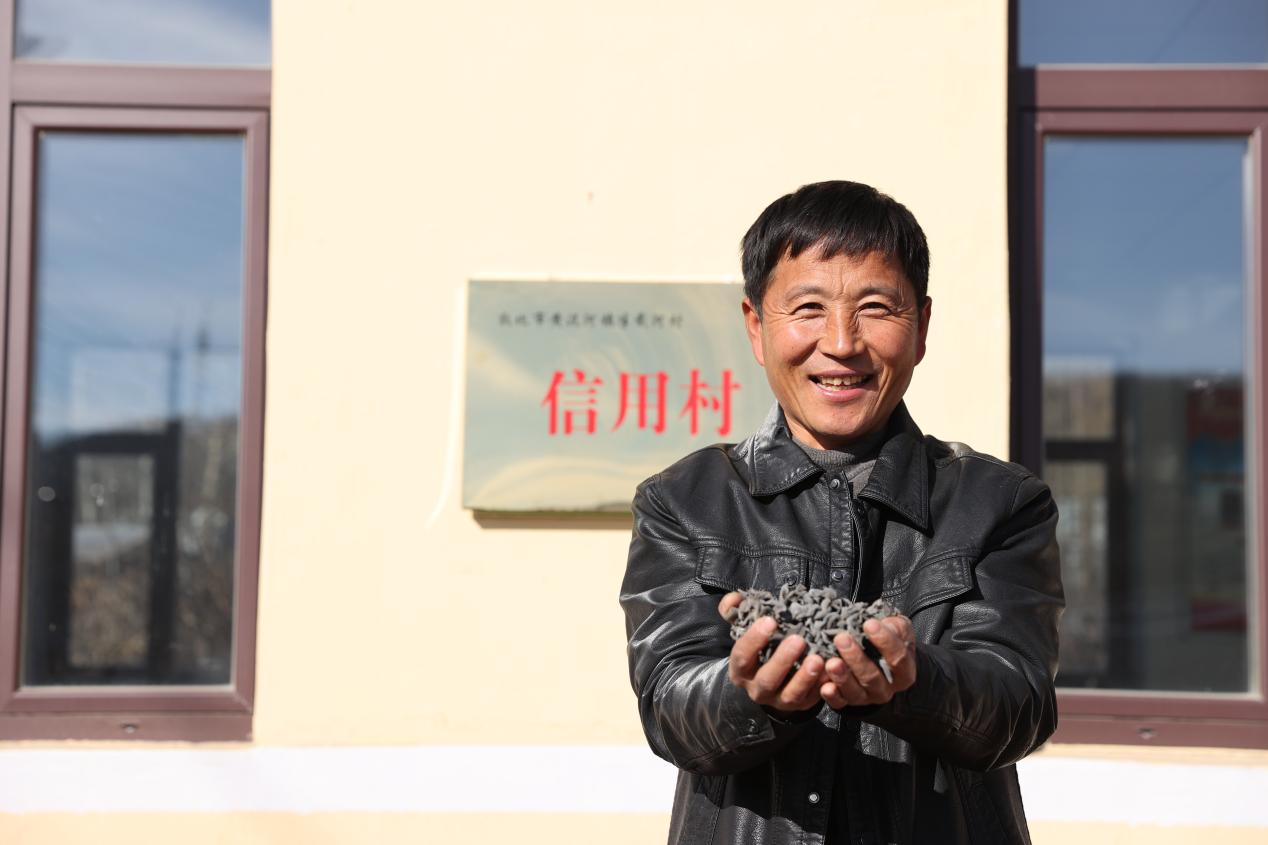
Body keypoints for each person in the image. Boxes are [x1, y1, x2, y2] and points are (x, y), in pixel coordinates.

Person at [619, 180, 1063, 845]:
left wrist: (915, 680)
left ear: (921, 327)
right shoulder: (683, 500)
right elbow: (669, 705)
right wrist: (749, 694)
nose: (841, 342)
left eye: (876, 307)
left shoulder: (1000, 501)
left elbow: (1018, 704)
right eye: (807, 308)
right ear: (756, 326)